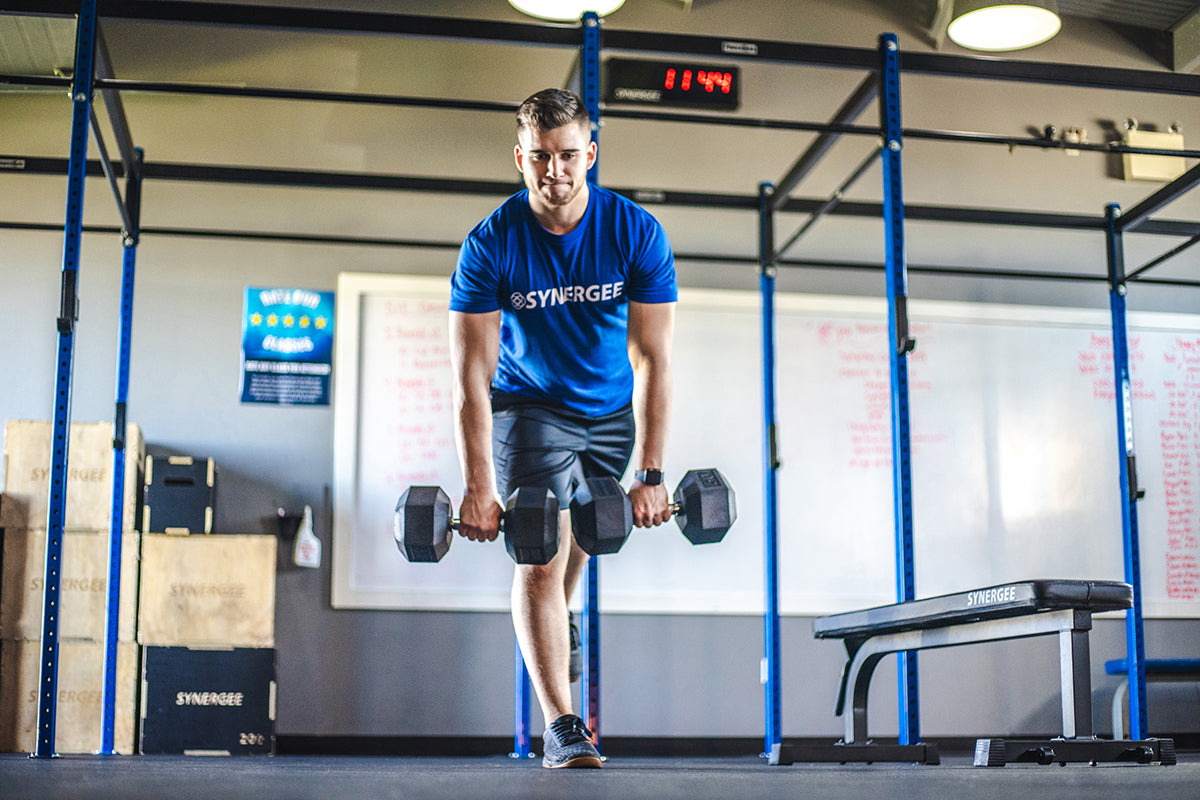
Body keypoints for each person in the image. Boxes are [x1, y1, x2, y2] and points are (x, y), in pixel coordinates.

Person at [448, 88, 677, 769]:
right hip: (529, 409)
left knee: (586, 538)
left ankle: (553, 623)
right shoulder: (490, 244)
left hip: (610, 418)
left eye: (570, 156)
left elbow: (655, 359)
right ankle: (562, 724)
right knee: (539, 554)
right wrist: (478, 488)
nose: (556, 172)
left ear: (591, 154)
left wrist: (653, 473)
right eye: (541, 158)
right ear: (520, 158)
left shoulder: (635, 231)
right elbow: (470, 377)